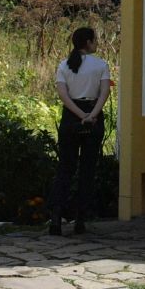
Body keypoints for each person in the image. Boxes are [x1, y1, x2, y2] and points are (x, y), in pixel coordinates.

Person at [50, 26, 110, 236]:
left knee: (65, 167)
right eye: (95, 39)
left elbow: (62, 94)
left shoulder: (64, 65)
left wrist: (77, 114)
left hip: (71, 115)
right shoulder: (101, 65)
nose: (97, 43)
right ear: (88, 42)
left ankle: (56, 217)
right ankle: (80, 219)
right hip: (92, 113)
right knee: (87, 169)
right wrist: (91, 115)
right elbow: (104, 93)